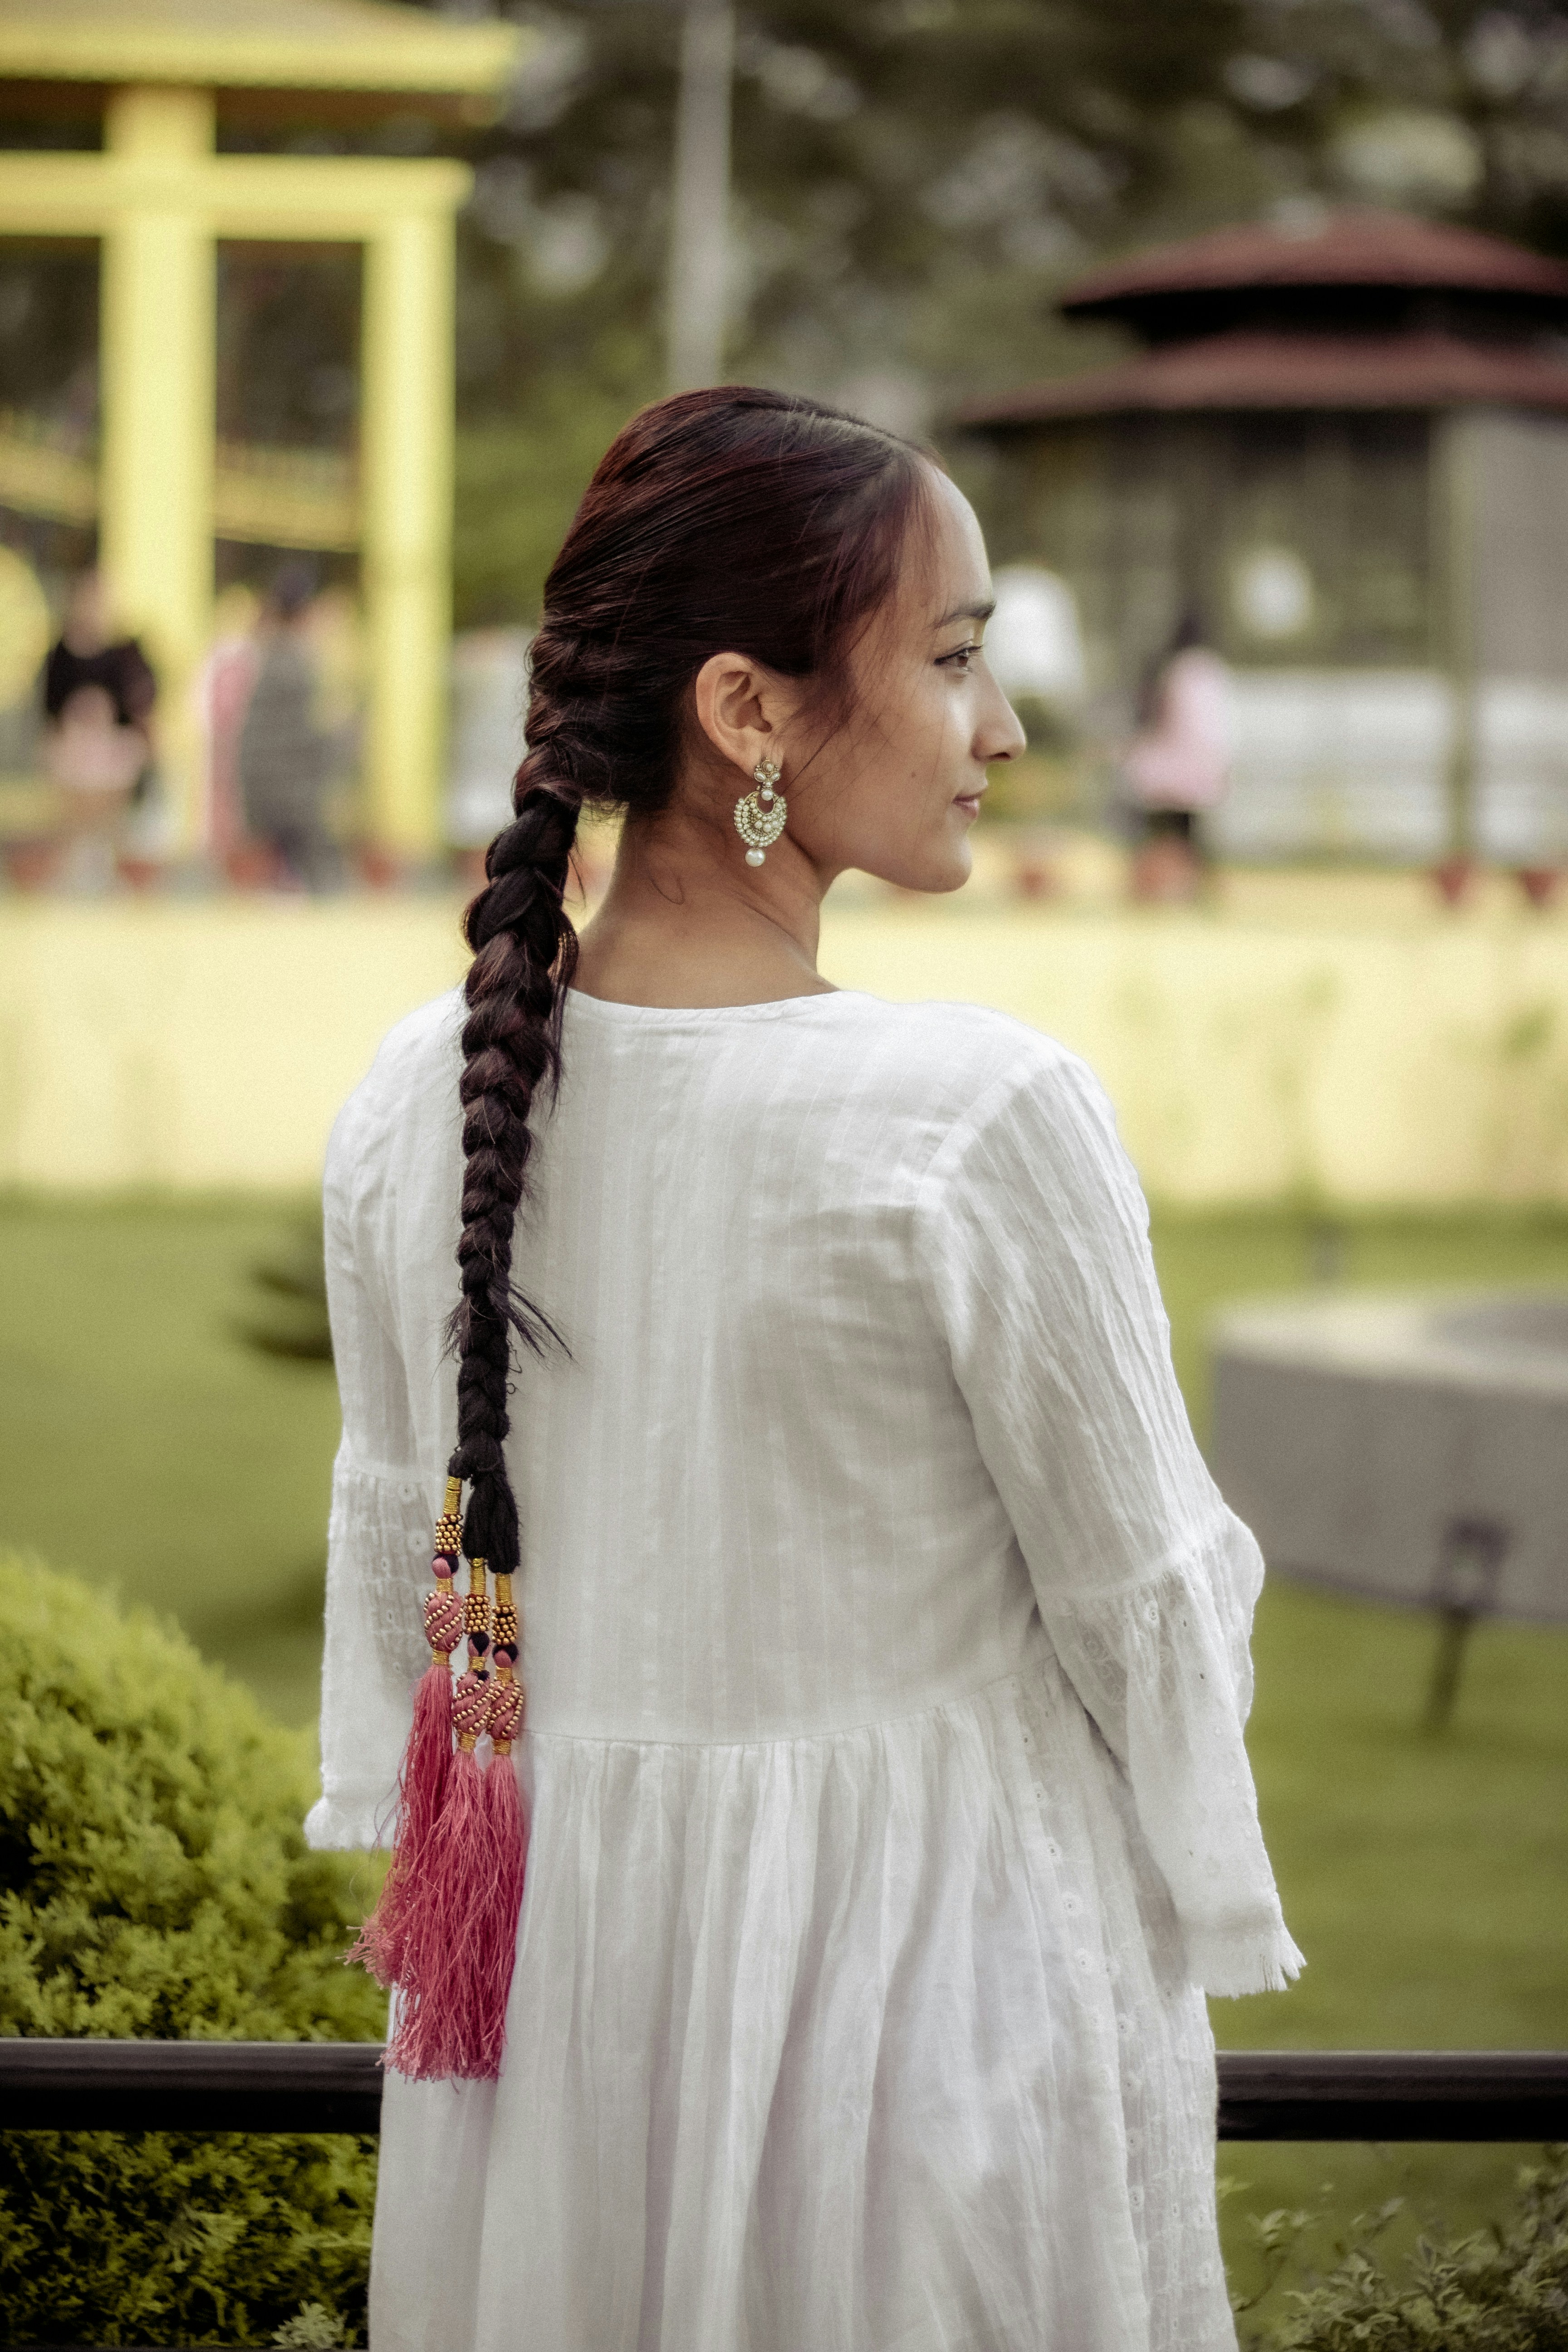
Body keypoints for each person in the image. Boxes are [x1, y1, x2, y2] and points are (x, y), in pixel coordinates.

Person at [308, 389, 1299, 2352]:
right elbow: (1149, 1613)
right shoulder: (973, 1114)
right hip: (928, 2040)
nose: (1000, 728)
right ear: (747, 711)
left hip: (552, 2052)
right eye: (949, 658)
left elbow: (423, 1607)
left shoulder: (410, 1102)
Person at [42, 569, 157, 890]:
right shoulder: (60, 653)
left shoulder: (126, 653)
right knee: (75, 826)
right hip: (74, 751)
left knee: (112, 826)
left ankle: (110, 879)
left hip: (113, 752)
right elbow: (49, 704)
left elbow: (142, 701)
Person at [236, 560, 346, 891]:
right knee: (320, 877)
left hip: (268, 785)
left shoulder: (267, 654)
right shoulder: (294, 663)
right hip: (290, 794)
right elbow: (303, 737)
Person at [1124, 611, 1233, 902]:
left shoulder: (1170, 668)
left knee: (1157, 833)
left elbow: (1154, 717)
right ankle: (1194, 890)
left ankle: (1150, 888)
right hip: (1196, 766)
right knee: (1190, 834)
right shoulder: (1208, 670)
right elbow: (1215, 726)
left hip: (1165, 765)